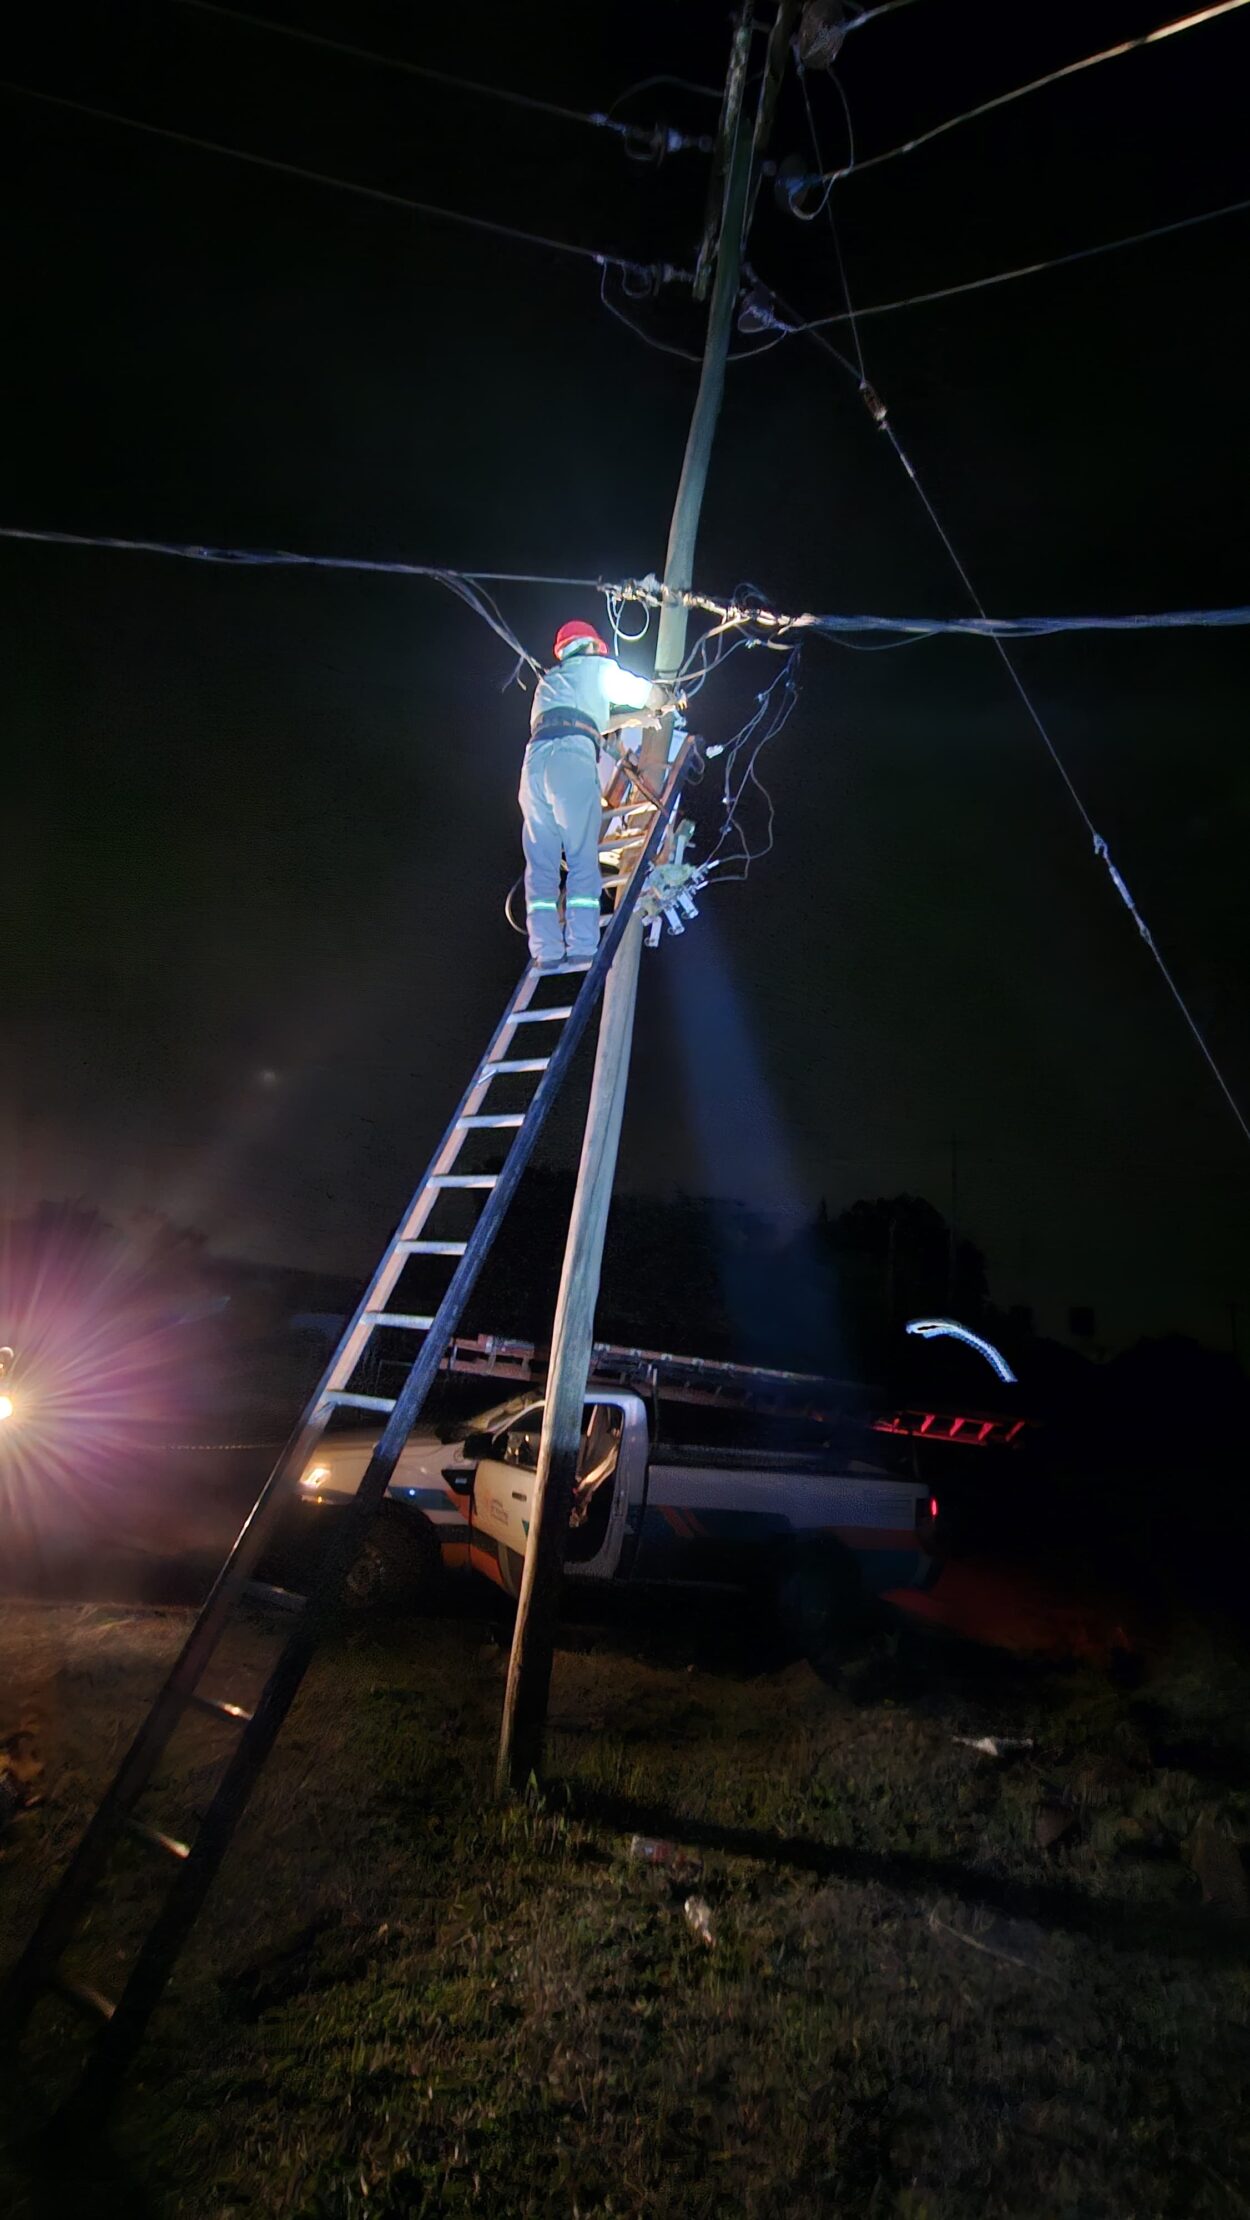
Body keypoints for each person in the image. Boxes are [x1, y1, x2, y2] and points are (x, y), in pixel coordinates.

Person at [519, 619, 664, 970]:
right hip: (571, 758)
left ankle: (545, 950)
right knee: (582, 853)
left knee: (541, 863)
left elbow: (582, 716)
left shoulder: (548, 683)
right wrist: (665, 698)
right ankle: (583, 943)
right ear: (592, 646)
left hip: (534, 763)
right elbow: (649, 695)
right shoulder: (601, 670)